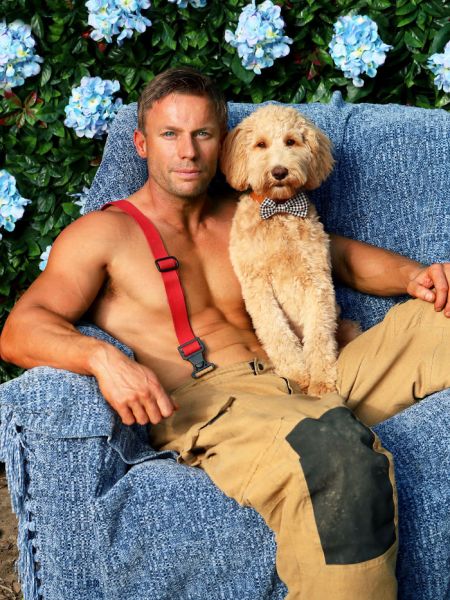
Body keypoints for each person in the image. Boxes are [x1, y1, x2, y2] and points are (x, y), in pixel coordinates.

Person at [1, 67, 449, 599]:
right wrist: (101, 359)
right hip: (219, 401)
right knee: (336, 457)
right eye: (170, 134)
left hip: (311, 373)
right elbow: (20, 330)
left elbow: (339, 257)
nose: (187, 151)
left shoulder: (255, 210)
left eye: (202, 134)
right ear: (142, 144)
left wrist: (417, 277)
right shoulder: (103, 233)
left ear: (223, 142)